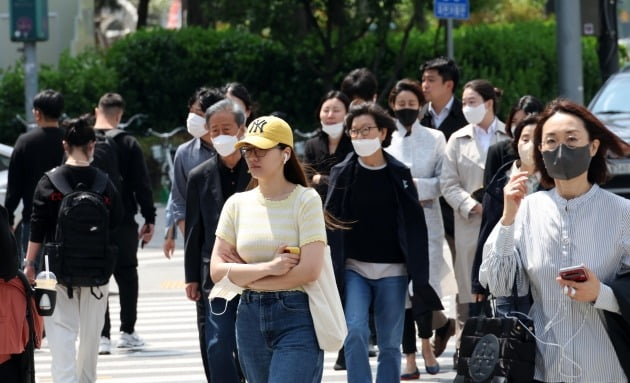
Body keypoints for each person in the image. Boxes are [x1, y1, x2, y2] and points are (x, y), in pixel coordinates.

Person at [479, 99, 630, 382]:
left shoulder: (622, 213)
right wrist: (509, 217)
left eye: (572, 139)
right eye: (551, 141)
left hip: (606, 368)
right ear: (540, 151)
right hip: (543, 368)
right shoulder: (526, 209)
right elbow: (498, 284)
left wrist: (602, 293)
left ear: (593, 147)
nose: (561, 149)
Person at [325, 102, 442, 383]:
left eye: (367, 130)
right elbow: (330, 220)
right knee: (354, 332)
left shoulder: (399, 173)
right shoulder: (343, 172)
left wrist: (419, 274)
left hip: (393, 271)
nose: (361, 136)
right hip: (355, 268)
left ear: (382, 133)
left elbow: (415, 226)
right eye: (354, 132)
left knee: (390, 343)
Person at [210, 115, 328, 382]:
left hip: (297, 315)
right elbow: (217, 272)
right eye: (248, 149)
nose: (253, 156)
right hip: (248, 317)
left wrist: (246, 275)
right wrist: (269, 268)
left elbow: (309, 270)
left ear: (285, 153)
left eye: (262, 149)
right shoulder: (236, 204)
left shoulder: (306, 200)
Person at [24, 116, 122, 383]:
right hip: (97, 272)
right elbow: (116, 223)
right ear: (92, 145)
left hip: (56, 272)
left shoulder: (49, 182)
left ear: (64, 145)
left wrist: (30, 264)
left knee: (61, 335)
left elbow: (37, 227)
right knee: (91, 338)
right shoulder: (104, 183)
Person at [385, 79, 456, 378]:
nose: (406, 109)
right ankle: (410, 355)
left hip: (427, 220)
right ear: (392, 106)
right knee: (402, 291)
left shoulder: (436, 138)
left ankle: (427, 342)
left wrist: (416, 187)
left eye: (411, 105)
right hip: (394, 223)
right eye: (401, 105)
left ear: (421, 106)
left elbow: (444, 181)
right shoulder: (385, 139)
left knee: (423, 287)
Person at [440, 79, 508, 362]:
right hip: (469, 223)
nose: (466, 107)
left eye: (471, 102)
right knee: (468, 289)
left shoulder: (508, 135)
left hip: (504, 221)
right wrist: (472, 205)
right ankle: (465, 348)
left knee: (502, 284)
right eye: (464, 103)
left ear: (488, 103)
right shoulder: (457, 139)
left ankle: (503, 347)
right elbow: (448, 183)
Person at [184, 99, 250, 383]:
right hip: (216, 272)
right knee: (217, 342)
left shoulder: (260, 170)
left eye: (227, 128)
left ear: (242, 129)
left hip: (256, 270)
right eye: (215, 130)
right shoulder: (199, 176)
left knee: (250, 344)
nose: (221, 135)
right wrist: (191, 278)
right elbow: (194, 231)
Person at [93, 93, 156, 355]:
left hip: (93, 221)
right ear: (119, 115)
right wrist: (149, 217)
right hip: (124, 220)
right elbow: (142, 184)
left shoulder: (86, 140)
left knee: (99, 277)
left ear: (97, 110)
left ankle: (102, 336)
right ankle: (127, 332)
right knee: (127, 275)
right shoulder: (128, 143)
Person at [472, 114, 542, 315]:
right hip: (507, 274)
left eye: (537, 139)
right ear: (516, 142)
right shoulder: (500, 181)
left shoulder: (555, 182)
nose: (530, 145)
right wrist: (478, 284)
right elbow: (486, 230)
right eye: (525, 139)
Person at [5, 89, 65, 265]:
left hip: (33, 218)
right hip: (66, 218)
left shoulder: (25, 142)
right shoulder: (69, 140)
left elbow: (14, 186)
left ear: (38, 113)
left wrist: (8, 219)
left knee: (32, 274)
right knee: (61, 276)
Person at [483, 95, 543, 187]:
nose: (518, 126)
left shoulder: (546, 151)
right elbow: (489, 192)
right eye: (514, 121)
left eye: (524, 120)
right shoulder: (497, 151)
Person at [303, 90, 353, 199]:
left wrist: (321, 179)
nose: (330, 115)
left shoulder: (354, 145)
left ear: (347, 114)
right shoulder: (311, 145)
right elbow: (306, 180)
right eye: (326, 110)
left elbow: (351, 183)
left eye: (336, 110)